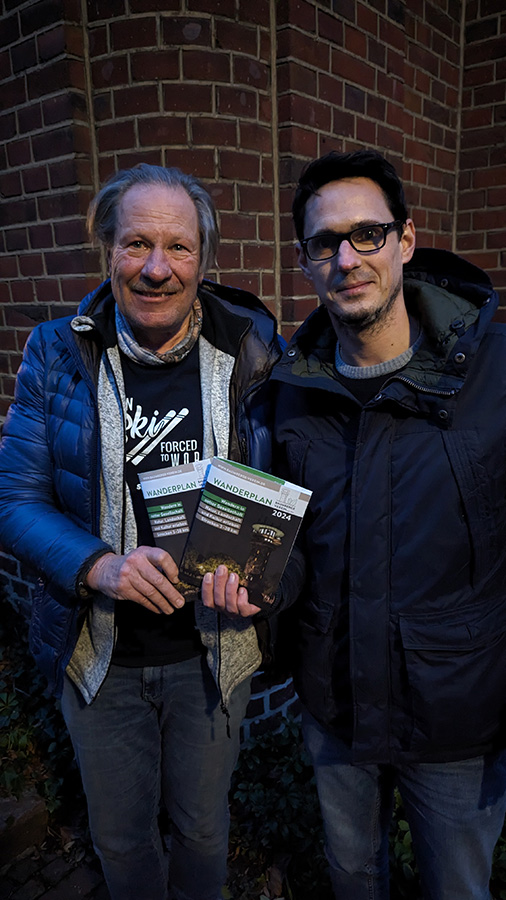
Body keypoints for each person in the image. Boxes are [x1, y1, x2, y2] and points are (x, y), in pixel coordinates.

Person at [203, 149, 506, 899]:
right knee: (351, 877)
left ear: (406, 240)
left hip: (459, 717)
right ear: (304, 263)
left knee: (457, 888)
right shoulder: (282, 393)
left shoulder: (495, 370)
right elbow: (281, 551)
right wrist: (248, 586)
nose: (347, 257)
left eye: (368, 234)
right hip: (334, 705)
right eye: (324, 242)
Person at [0, 163, 282, 900]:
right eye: (136, 244)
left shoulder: (252, 353)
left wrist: (262, 577)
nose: (158, 268)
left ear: (204, 259)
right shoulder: (58, 353)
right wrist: (99, 566)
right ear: (107, 251)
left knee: (202, 831)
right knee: (122, 842)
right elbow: (13, 500)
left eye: (179, 248)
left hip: (213, 655)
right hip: (101, 658)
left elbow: (284, 497)